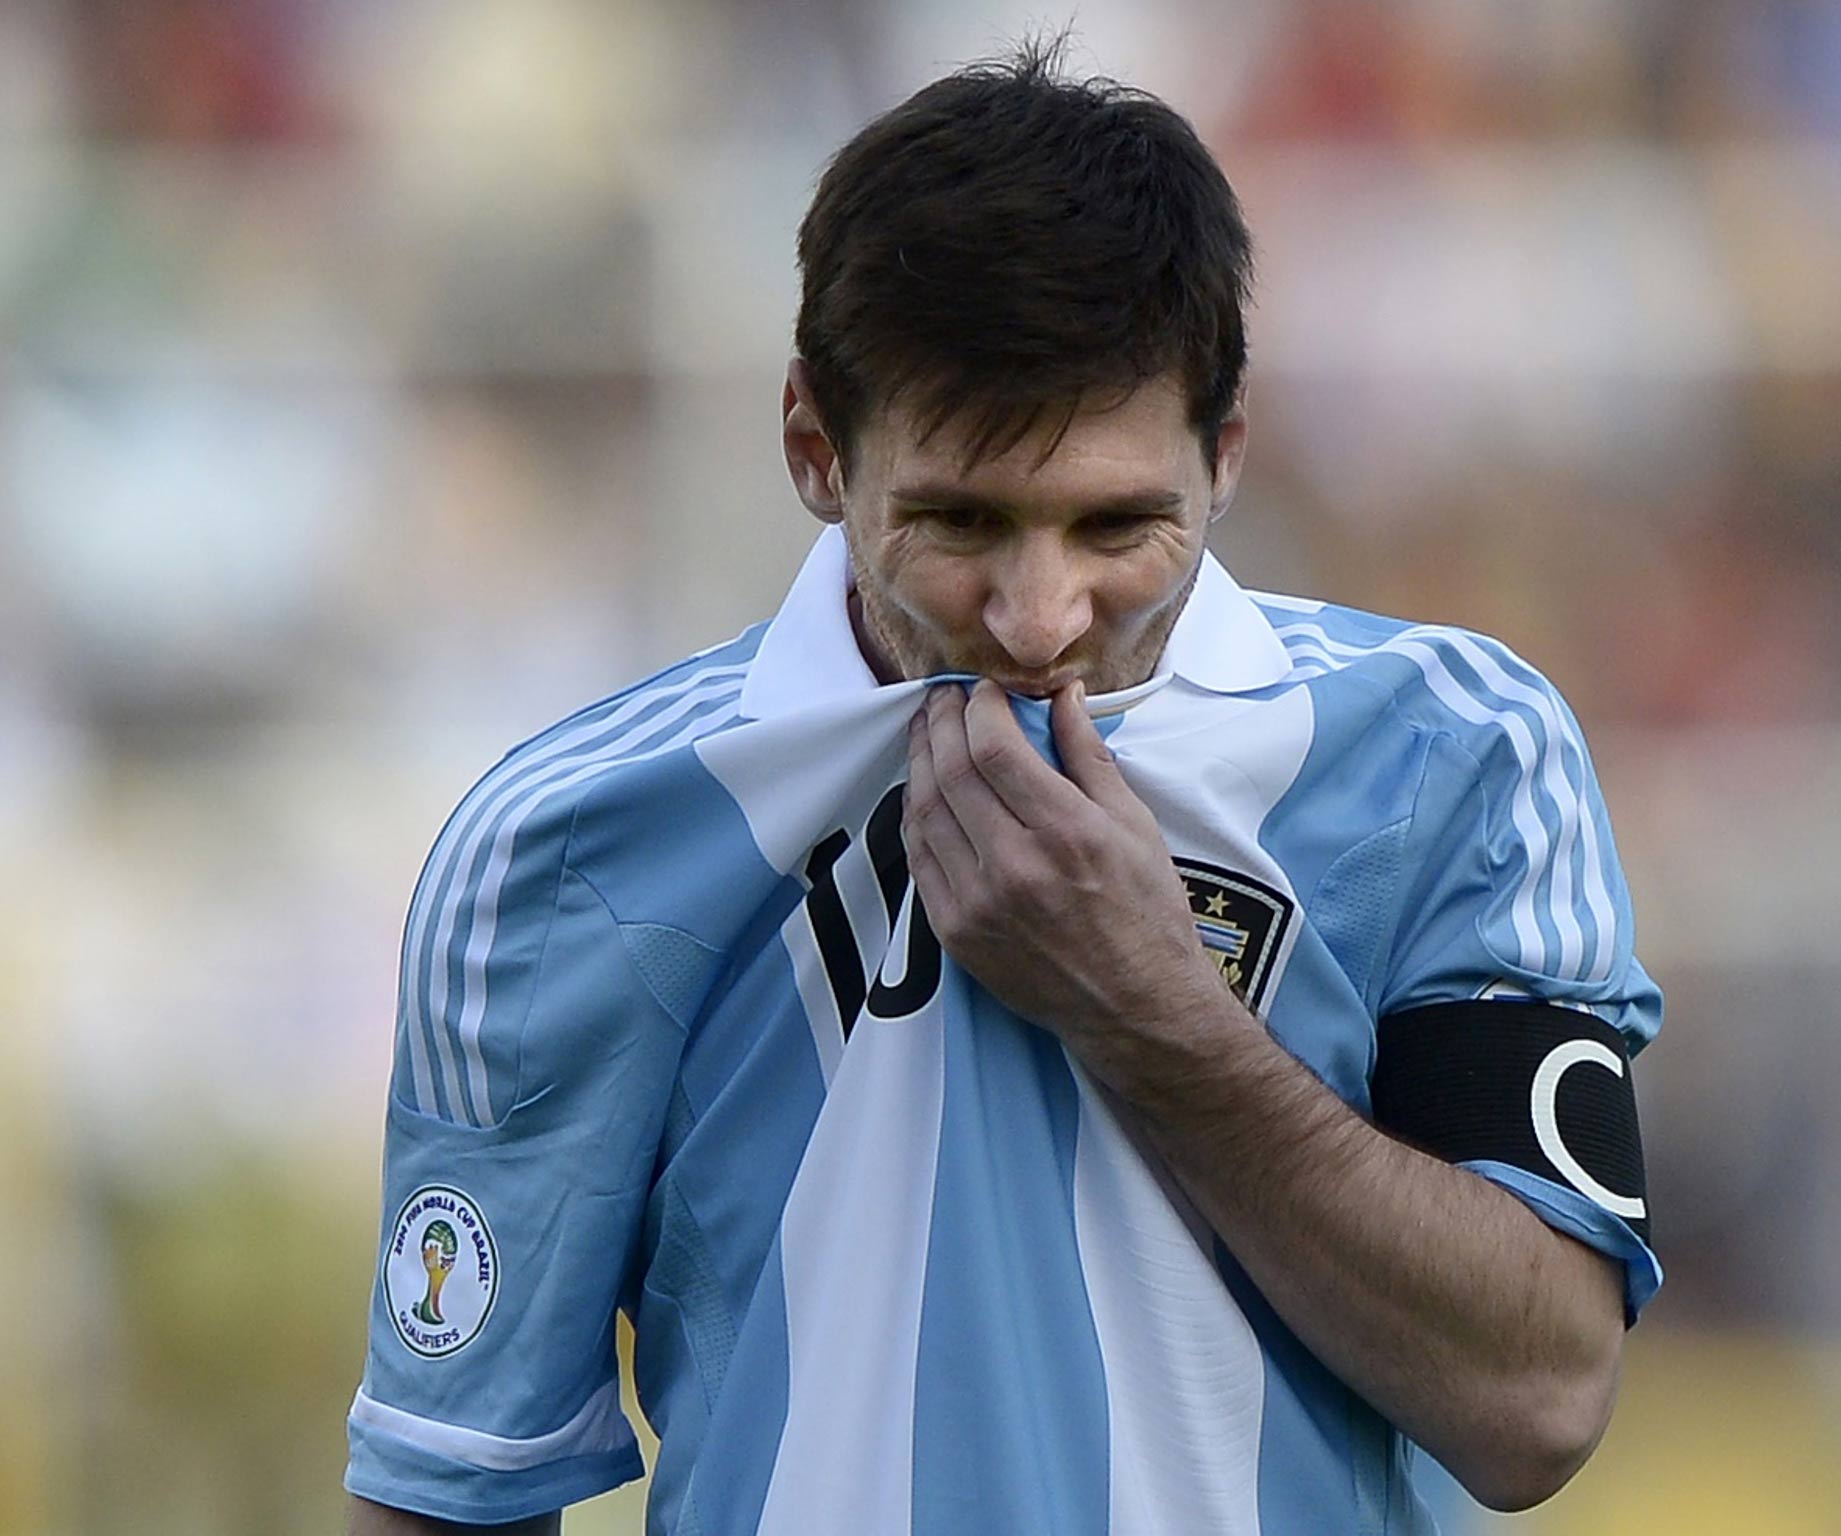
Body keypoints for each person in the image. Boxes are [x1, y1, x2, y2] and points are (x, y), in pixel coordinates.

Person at [343, 39, 1662, 1536]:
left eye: (1117, 525)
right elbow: (450, 1490)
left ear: (1225, 451)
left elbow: (1539, 1402)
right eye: (961, 519)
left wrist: (1145, 1006)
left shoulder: (1455, 755)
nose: (1041, 617)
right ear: (813, 449)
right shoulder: (568, 848)